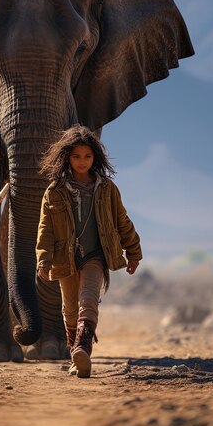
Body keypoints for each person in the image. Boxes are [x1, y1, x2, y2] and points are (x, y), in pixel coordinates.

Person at [36, 124, 142, 378]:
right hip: (65, 258)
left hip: (96, 256)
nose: (82, 162)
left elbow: (122, 221)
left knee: (88, 300)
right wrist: (43, 258)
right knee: (70, 308)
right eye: (76, 156)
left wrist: (133, 252)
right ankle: (76, 355)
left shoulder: (107, 189)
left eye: (87, 156)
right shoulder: (54, 192)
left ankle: (83, 348)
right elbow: (45, 228)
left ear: (95, 157)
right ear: (66, 158)